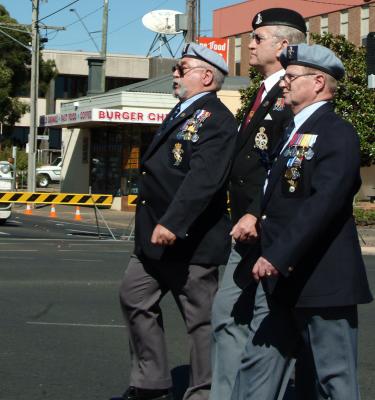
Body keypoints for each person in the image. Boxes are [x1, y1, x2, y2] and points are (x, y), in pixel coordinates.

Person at [231, 43, 373, 400]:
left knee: (333, 379)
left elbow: (323, 203)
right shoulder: (291, 132)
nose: (284, 84)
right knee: (257, 367)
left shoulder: (336, 132)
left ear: (319, 82)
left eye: (292, 77)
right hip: (282, 280)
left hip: (320, 278)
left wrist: (278, 255)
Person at [118, 43, 238, 400]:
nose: (174, 73)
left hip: (190, 240)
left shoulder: (216, 119)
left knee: (200, 320)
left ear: (205, 76)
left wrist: (174, 222)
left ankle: (203, 392)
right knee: (133, 296)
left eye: (180, 67)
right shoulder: (181, 111)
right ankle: (151, 383)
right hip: (153, 238)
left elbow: (204, 179)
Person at [210, 8, 306, 400]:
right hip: (246, 225)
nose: (249, 44)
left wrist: (254, 211)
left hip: (266, 225)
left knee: (261, 323)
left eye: (257, 38)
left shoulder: (292, 93)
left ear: (284, 45)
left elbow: (284, 162)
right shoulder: (265, 90)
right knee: (230, 316)